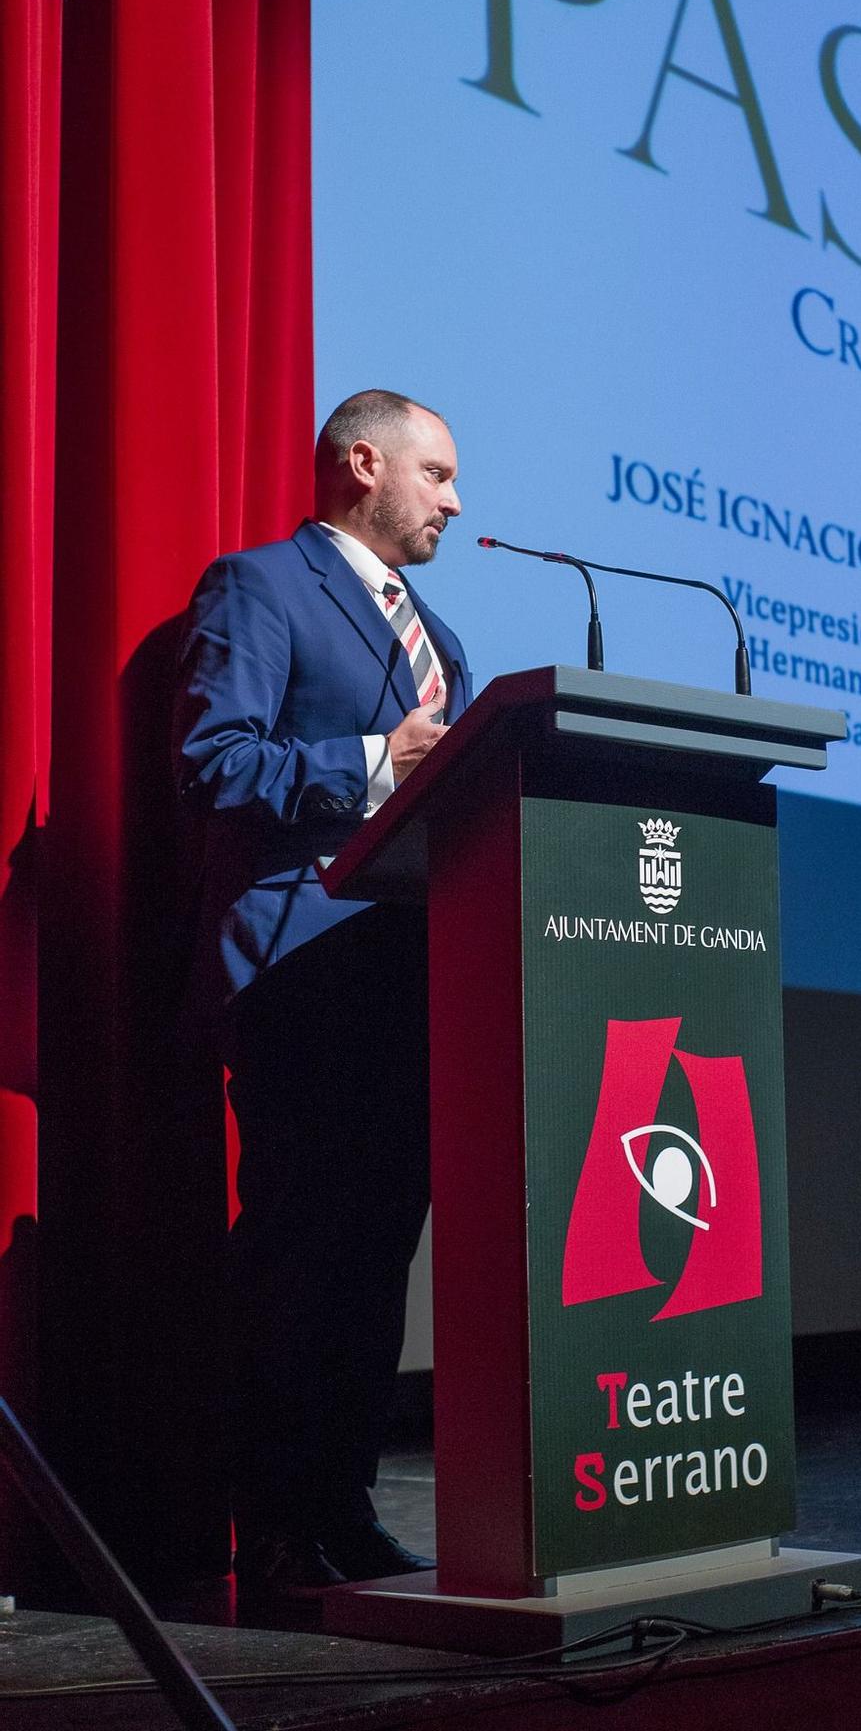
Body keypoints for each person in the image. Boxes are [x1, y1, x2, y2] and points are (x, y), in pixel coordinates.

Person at [173, 389, 471, 1610]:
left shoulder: (439, 636)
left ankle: (343, 1508)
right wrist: (369, 762)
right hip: (300, 969)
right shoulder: (261, 587)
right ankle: (274, 1522)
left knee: (374, 1258)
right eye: (438, 473)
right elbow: (213, 761)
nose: (455, 501)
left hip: (406, 977)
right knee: (300, 1258)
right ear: (363, 461)